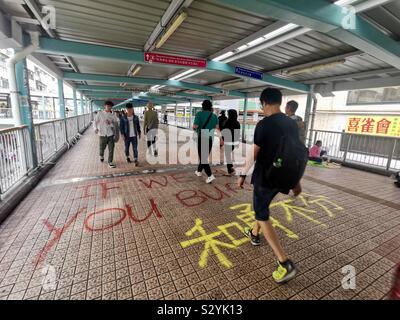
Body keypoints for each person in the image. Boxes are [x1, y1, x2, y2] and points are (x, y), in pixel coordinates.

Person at [237, 88, 301, 284]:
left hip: (265, 178)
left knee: (261, 214)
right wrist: (296, 182)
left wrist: (242, 173)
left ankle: (284, 262)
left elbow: (254, 153)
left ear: (264, 102)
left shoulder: (264, 125)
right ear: (280, 102)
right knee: (262, 207)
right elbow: (294, 153)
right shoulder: (291, 124)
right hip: (282, 177)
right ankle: (254, 233)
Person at [193, 100, 219, 184]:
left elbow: (195, 126)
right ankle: (199, 171)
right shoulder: (214, 115)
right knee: (204, 156)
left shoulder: (199, 114)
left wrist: (195, 129)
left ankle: (210, 175)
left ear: (203, 106)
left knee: (203, 158)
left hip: (202, 136)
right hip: (211, 138)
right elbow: (217, 127)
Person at [93, 100, 119, 168]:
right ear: (105, 106)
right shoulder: (100, 113)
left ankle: (110, 162)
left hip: (110, 134)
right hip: (102, 134)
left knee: (111, 148)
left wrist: (110, 123)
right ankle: (101, 155)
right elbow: (95, 122)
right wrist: (95, 128)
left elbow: (115, 124)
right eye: (107, 106)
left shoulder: (113, 115)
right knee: (102, 148)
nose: (109, 107)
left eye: (110, 106)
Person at [221, 109, 240, 175]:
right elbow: (237, 133)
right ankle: (230, 168)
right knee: (228, 154)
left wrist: (222, 139)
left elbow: (223, 132)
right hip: (234, 141)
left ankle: (230, 170)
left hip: (227, 141)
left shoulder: (226, 122)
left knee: (228, 155)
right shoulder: (237, 123)